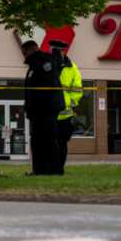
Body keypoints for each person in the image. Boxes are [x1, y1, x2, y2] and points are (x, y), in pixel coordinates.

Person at [22, 40, 64, 175]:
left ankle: (54, 170)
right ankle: (39, 170)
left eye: (24, 52)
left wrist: (38, 107)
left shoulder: (44, 62)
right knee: (37, 142)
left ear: (31, 50)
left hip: (46, 110)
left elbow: (49, 86)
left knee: (48, 140)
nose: (23, 56)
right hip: (37, 111)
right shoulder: (34, 65)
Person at [51, 40, 83, 174]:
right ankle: (50, 169)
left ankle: (59, 169)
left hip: (64, 114)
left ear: (64, 51)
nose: (57, 53)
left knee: (62, 144)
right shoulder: (49, 66)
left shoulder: (72, 68)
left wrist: (67, 102)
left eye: (59, 50)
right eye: (54, 50)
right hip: (49, 113)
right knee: (50, 144)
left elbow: (77, 90)